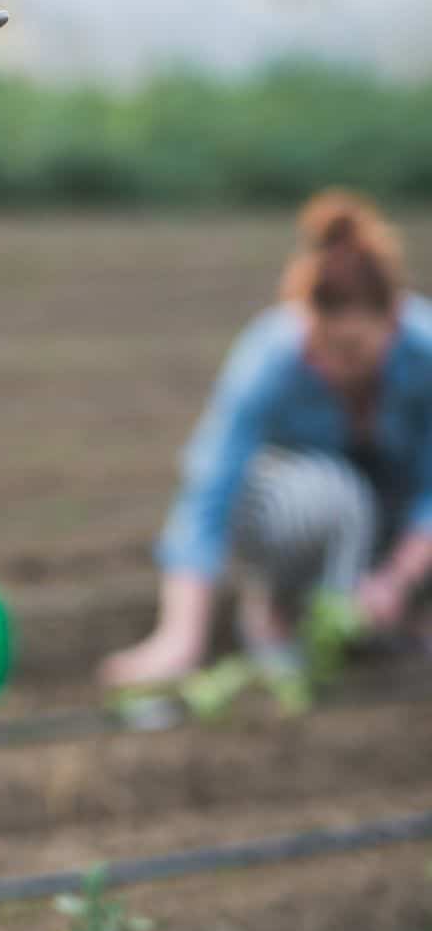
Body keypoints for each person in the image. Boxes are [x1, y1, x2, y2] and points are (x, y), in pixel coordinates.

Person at [100, 190, 432, 691]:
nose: (330, 366)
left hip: (395, 524)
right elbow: (209, 491)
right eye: (320, 346)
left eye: (350, 348)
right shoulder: (271, 355)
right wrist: (180, 640)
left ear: (393, 319)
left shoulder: (424, 353)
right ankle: (279, 605)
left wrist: (398, 580)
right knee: (335, 494)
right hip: (298, 511)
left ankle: (397, 613)